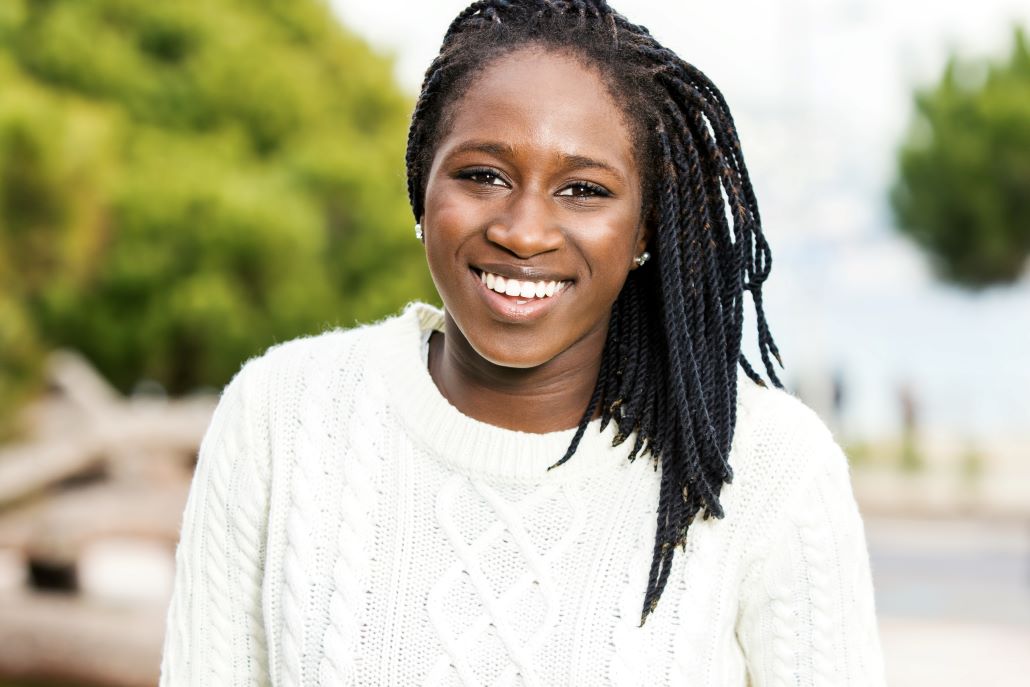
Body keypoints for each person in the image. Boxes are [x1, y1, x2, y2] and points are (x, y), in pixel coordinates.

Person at [159, 1, 885, 684]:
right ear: (421, 187)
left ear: (645, 230)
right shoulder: (280, 416)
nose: (524, 230)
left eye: (584, 190)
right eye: (482, 175)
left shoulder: (771, 466)